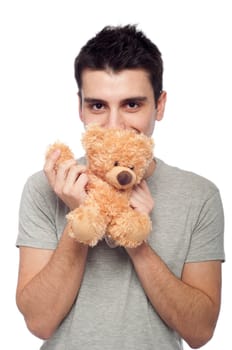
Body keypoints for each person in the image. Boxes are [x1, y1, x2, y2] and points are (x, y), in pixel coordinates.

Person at [16, 25, 225, 350]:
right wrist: (81, 217)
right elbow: (39, 323)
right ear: (80, 107)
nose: (114, 125)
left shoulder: (199, 195)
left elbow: (200, 332)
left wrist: (136, 241)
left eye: (132, 105)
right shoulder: (45, 187)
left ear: (160, 105)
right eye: (98, 106)